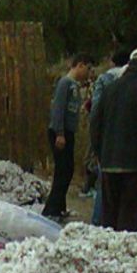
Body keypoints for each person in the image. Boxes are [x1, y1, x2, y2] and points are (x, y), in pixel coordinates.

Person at [90, 47, 137, 232]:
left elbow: (95, 123)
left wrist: (100, 154)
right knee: (129, 214)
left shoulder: (110, 89)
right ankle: (124, 253)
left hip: (108, 162)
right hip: (135, 164)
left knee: (110, 214)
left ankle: (108, 251)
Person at [41, 53, 94, 221]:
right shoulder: (65, 83)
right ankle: (51, 210)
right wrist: (60, 133)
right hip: (60, 132)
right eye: (87, 68)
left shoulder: (75, 86)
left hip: (68, 132)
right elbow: (58, 109)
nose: (88, 72)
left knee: (68, 169)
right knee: (63, 171)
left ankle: (60, 206)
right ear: (79, 65)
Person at [87, 49, 131, 225]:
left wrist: (96, 144)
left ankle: (98, 224)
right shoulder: (136, 83)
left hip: (107, 141)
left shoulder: (105, 80)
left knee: (103, 185)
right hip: (127, 143)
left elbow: (96, 112)